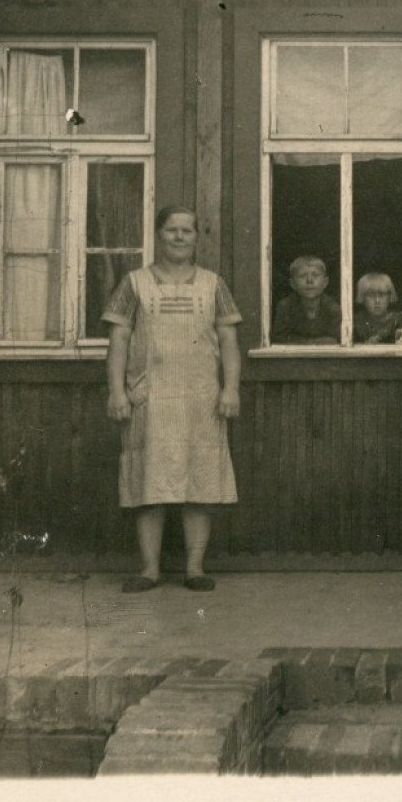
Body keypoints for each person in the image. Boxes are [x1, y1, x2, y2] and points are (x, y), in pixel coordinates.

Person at [104, 205, 242, 594]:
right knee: (150, 484)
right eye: (171, 230)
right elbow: (117, 341)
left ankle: (194, 569)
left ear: (197, 237)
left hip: (201, 398)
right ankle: (149, 570)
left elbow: (229, 341)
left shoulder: (213, 284)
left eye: (187, 231)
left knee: (199, 483)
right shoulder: (134, 283)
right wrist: (117, 391)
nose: (179, 237)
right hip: (151, 397)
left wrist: (230, 388)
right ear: (159, 235)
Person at [271, 255, 340, 344]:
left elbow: (337, 340)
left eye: (315, 275)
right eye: (302, 276)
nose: (309, 280)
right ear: (292, 284)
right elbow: (280, 339)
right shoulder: (285, 306)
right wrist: (312, 342)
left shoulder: (333, 308)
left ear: (325, 282)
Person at [352, 272, 400, 344]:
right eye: (371, 295)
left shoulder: (398, 320)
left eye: (382, 295)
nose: (377, 301)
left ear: (389, 297)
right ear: (362, 298)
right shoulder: (355, 322)